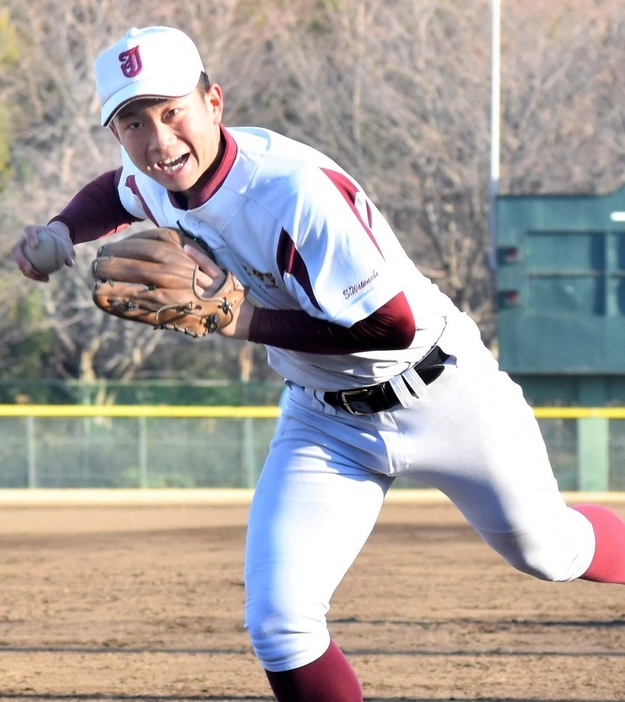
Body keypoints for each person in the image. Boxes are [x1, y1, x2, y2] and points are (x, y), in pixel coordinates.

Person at [12, 25, 625, 702]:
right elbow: (116, 191)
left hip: (441, 391)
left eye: (171, 111)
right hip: (323, 421)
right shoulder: (156, 175)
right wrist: (64, 228)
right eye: (132, 120)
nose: (158, 140)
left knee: (551, 553)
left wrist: (241, 320)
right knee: (280, 626)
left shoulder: (291, 191)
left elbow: (390, 328)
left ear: (213, 102)